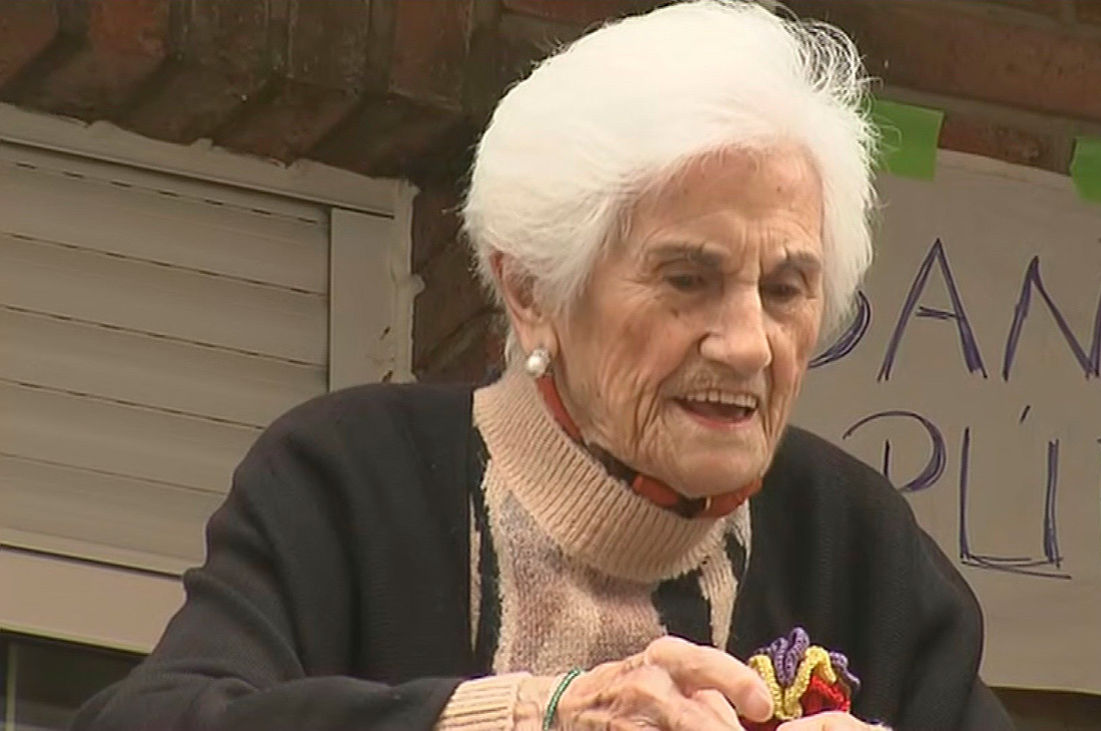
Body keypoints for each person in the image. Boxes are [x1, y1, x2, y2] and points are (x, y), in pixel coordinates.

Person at [74, 2, 1013, 729]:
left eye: (786, 288)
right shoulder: (348, 481)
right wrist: (537, 712)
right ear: (531, 291)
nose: (746, 341)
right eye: (689, 278)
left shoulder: (856, 541)